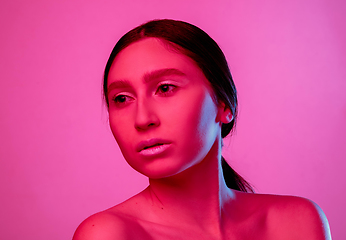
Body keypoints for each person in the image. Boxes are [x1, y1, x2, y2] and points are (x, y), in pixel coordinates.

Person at [73, 19, 331, 240]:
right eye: (121, 98)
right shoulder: (109, 234)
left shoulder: (296, 224)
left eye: (165, 88)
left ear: (223, 104)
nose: (142, 119)